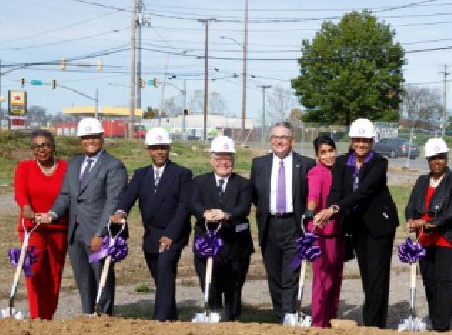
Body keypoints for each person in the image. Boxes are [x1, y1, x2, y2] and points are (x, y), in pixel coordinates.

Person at [36, 117, 128, 315]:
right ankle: (88, 315)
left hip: (97, 233)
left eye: (94, 137)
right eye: (85, 138)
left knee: (101, 277)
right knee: (83, 279)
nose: (90, 141)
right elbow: (65, 195)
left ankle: (103, 317)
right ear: (80, 140)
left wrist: (101, 233)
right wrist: (53, 213)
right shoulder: (75, 163)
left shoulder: (114, 166)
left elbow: (112, 202)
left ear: (102, 137)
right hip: (75, 233)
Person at [313, 118, 399, 328]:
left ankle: (374, 325)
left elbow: (364, 192)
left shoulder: (379, 163)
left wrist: (335, 209)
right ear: (351, 140)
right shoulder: (342, 162)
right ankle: (370, 321)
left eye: (366, 140)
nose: (361, 144)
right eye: (357, 140)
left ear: (372, 141)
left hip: (379, 225)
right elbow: (336, 191)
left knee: (377, 277)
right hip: (357, 225)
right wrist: (327, 212)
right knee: (366, 274)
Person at [109, 128, 193, 322]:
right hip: (151, 235)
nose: (159, 152)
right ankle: (171, 316)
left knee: (165, 270)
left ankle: (160, 319)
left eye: (163, 148)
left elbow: (184, 207)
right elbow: (129, 195)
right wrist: (121, 212)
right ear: (148, 150)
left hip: (173, 233)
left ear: (169, 148)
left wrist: (171, 234)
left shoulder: (182, 174)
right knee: (161, 277)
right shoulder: (141, 174)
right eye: (155, 148)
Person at [250, 122, 313, 320]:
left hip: (293, 226)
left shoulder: (305, 164)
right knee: (274, 274)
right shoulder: (259, 164)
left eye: (284, 137)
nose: (279, 141)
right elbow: (254, 195)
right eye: (275, 137)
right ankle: (279, 315)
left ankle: (289, 315)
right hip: (269, 226)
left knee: (291, 274)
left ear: (292, 140)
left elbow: (310, 196)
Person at [404, 138, 452, 332]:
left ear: (446, 158)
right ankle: (434, 318)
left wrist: (429, 223)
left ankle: (442, 325)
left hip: (447, 237)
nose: (437, 161)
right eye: (433, 158)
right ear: (428, 160)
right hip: (425, 238)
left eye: (440, 157)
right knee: (429, 281)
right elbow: (411, 205)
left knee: (444, 281)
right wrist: (410, 220)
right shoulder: (422, 181)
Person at [189, 136, 253, 321]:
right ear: (211, 160)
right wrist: (205, 213)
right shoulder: (199, 182)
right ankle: (213, 316)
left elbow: (244, 208)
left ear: (233, 161)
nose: (223, 163)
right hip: (206, 246)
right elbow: (193, 203)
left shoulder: (243, 184)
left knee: (234, 289)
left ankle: (232, 321)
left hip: (236, 246)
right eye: (219, 159)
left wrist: (226, 215)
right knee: (210, 284)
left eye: (228, 159)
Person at [12, 130, 69, 319]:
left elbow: (68, 196)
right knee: (34, 271)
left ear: (53, 146)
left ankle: (48, 316)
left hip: (58, 227)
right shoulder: (24, 168)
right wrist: (26, 208)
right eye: (37, 146)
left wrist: (53, 216)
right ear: (32, 150)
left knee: (54, 273)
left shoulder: (65, 168)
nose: (41, 149)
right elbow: (20, 193)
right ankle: (36, 316)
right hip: (32, 228)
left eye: (45, 145)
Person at [305, 134, 346, 328]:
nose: (328, 155)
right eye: (323, 152)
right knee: (322, 282)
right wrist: (311, 212)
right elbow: (313, 196)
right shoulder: (316, 173)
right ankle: (318, 323)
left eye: (331, 151)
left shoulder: (340, 171)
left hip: (339, 234)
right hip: (322, 234)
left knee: (336, 281)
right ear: (317, 155)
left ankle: (331, 320)